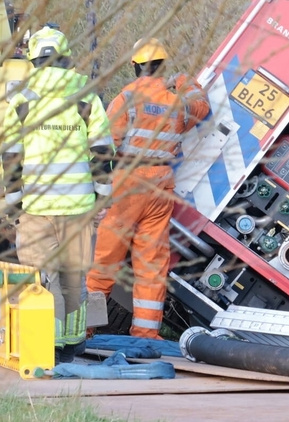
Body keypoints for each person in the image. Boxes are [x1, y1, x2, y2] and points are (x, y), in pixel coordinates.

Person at [3, 24, 114, 363]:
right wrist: (101, 197)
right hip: (79, 207)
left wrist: (12, 203)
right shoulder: (86, 96)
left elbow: (10, 156)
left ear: (33, 59)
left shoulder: (22, 99)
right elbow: (102, 152)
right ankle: (73, 344)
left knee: (40, 279)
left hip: (37, 208)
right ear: (66, 59)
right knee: (73, 279)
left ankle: (46, 345)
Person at [87, 37, 210, 338]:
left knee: (106, 259)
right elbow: (202, 106)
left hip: (128, 181)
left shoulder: (126, 99)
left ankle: (86, 327)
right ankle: (145, 335)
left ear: (135, 66)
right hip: (161, 184)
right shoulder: (177, 105)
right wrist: (185, 81)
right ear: (162, 66)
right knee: (152, 264)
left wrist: (96, 191)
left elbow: (103, 145)